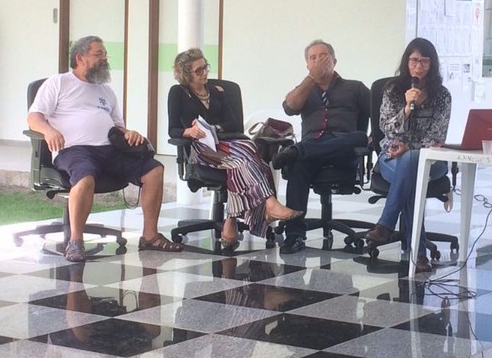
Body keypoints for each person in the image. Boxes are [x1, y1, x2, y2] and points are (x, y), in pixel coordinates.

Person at [28, 35, 183, 262]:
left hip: (110, 150)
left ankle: (150, 236)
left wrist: (128, 133)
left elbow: (117, 126)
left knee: (154, 170)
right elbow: (34, 117)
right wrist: (49, 131)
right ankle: (75, 242)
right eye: (98, 54)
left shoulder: (106, 90)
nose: (104, 59)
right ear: (80, 58)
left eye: (105, 54)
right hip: (74, 150)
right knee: (85, 176)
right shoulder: (58, 82)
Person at [168, 48, 302, 251]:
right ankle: (268, 204)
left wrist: (213, 128)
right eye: (199, 70)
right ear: (187, 74)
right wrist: (189, 131)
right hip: (202, 148)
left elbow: (234, 125)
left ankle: (232, 219)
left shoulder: (217, 91)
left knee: (246, 153)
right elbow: (172, 130)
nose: (205, 73)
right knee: (250, 162)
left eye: (206, 67)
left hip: (230, 144)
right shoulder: (178, 93)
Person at [272, 40, 370, 255]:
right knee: (298, 166)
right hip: (312, 148)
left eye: (323, 56)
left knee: (359, 137)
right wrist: (311, 78)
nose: (318, 61)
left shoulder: (355, 88)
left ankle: (297, 151)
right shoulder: (304, 90)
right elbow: (289, 107)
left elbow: (380, 115)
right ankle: (295, 235)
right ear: (307, 65)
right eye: (312, 58)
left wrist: (374, 140)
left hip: (344, 148)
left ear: (334, 61)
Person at [364, 37, 451, 273]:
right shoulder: (392, 90)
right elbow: (386, 129)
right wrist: (405, 108)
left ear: (432, 64)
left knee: (411, 162)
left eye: (424, 61)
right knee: (411, 173)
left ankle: (385, 224)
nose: (418, 66)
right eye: (414, 60)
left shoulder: (442, 96)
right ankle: (419, 255)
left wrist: (411, 149)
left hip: (431, 160)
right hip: (393, 156)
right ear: (406, 62)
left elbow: (437, 136)